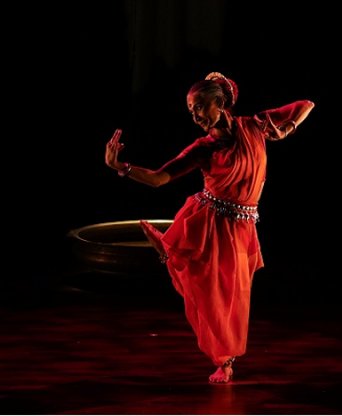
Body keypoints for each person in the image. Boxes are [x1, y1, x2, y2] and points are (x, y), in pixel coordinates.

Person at [105, 71, 315, 384]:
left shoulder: (255, 125)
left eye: (201, 107)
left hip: (243, 226)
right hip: (210, 222)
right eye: (191, 111)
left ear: (221, 103)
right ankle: (224, 361)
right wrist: (121, 168)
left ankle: (170, 248)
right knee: (214, 294)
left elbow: (306, 104)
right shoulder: (203, 148)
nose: (196, 116)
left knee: (237, 297)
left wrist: (285, 130)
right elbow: (159, 178)